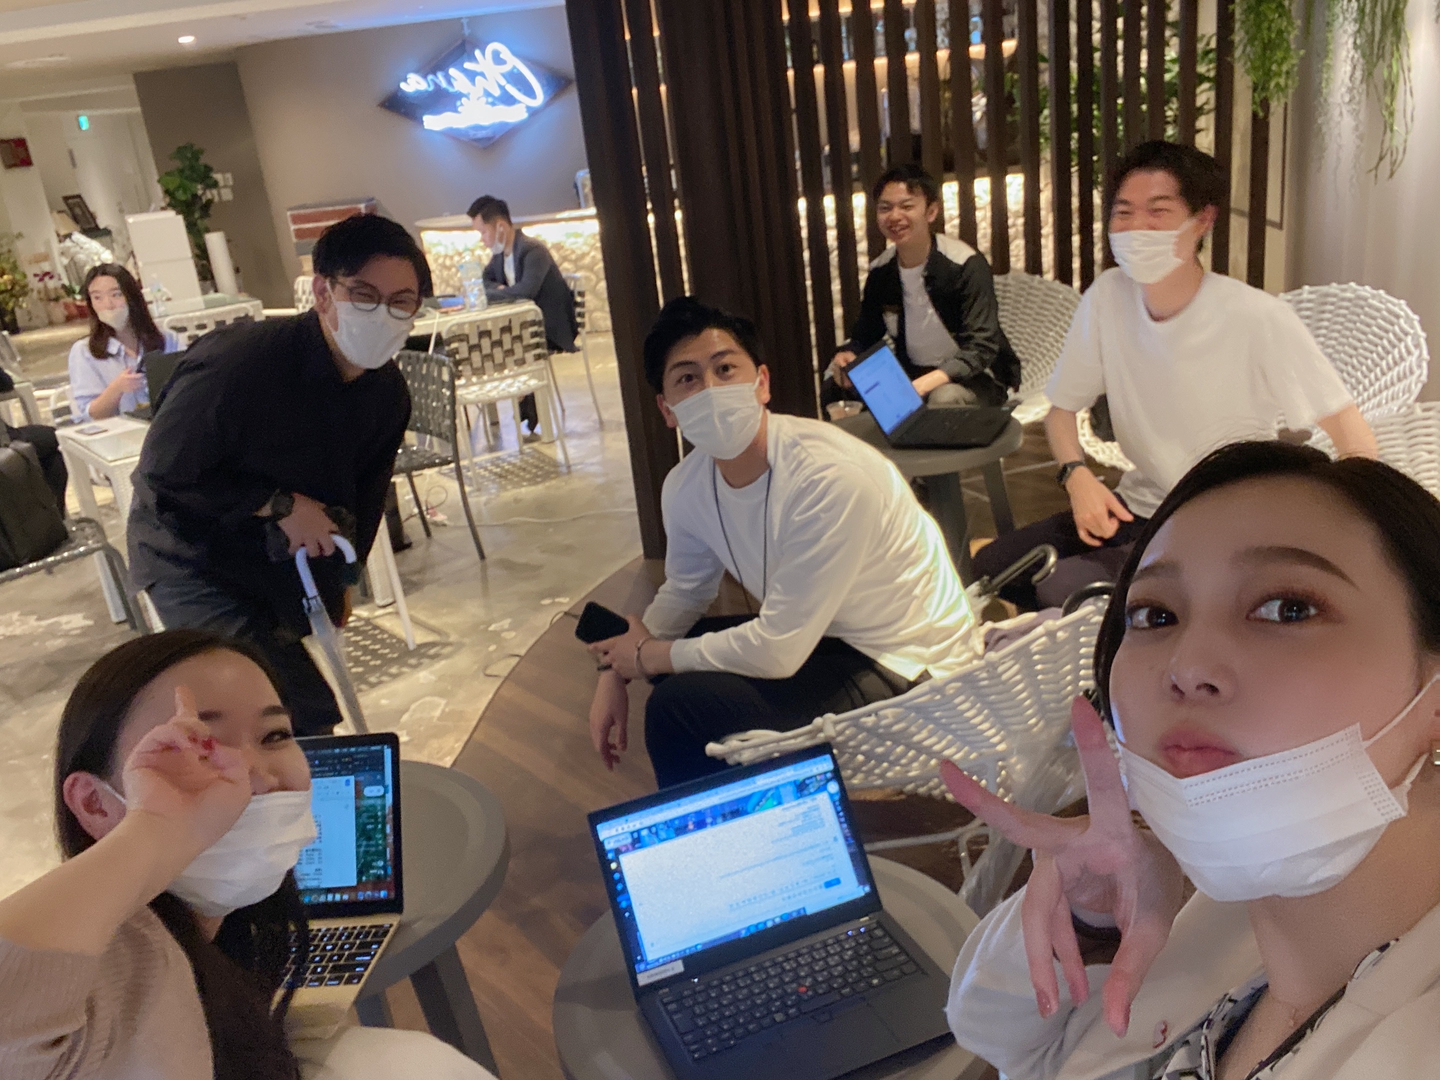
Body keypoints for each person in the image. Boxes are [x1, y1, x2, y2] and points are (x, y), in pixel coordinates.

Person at [943, 440, 1440, 1080]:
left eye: (1288, 609)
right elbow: (1009, 1045)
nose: (1186, 666)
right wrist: (1090, 925)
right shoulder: (1218, 895)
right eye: (1155, 615)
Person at [0, 629, 496, 1079]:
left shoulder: (227, 935)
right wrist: (154, 830)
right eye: (200, 747)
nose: (255, 775)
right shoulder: (114, 971)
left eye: (274, 736)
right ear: (94, 803)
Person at [586, 297, 983, 788]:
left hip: (910, 664)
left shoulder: (828, 478)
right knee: (676, 657)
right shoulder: (686, 486)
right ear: (668, 410)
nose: (711, 390)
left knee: (677, 707)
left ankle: (727, 827)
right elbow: (686, 591)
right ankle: (747, 806)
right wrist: (617, 669)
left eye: (725, 369)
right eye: (688, 379)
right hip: (824, 636)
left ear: (761, 383)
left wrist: (647, 655)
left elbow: (778, 650)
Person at [971, 141, 1377, 611]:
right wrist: (1076, 476)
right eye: (1124, 212)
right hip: (1139, 507)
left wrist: (1326, 535)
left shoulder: (1256, 317)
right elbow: (1061, 413)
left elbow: (1354, 437)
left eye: (1158, 211)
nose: (1136, 227)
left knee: (1065, 592)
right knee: (992, 566)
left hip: (1223, 520)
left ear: (1203, 220)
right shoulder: (1108, 297)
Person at [127, 214, 427, 736]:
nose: (383, 314)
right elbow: (164, 473)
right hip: (190, 552)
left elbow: (366, 497)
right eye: (364, 295)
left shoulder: (386, 394)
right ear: (323, 293)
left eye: (402, 301)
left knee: (292, 702)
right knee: (279, 709)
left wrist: (344, 581)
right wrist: (278, 504)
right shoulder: (239, 363)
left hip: (273, 556)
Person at [827, 164, 1020, 408]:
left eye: (906, 206)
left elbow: (981, 347)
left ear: (931, 212)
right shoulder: (882, 271)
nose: (894, 216)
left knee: (943, 398)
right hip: (912, 375)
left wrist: (923, 385)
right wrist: (849, 355)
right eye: (885, 208)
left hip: (975, 378)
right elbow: (866, 335)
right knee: (834, 388)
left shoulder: (964, 264)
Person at [468, 195, 579, 438]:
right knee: (493, 340)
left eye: (483, 232)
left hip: (549, 327)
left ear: (500, 226)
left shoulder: (532, 250)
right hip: (523, 326)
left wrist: (494, 293)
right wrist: (500, 290)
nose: (482, 240)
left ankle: (525, 401)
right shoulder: (500, 255)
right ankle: (521, 399)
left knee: (501, 343)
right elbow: (483, 281)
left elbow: (526, 290)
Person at [66, 263, 181, 421]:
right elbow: (91, 415)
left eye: (116, 295)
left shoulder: (168, 339)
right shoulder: (84, 352)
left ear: (132, 297)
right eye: (97, 298)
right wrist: (116, 389)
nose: (108, 305)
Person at [0, 369, 66, 509]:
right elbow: (6, 384)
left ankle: (46, 514)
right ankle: (52, 515)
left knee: (53, 457)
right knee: (55, 438)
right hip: (4, 442)